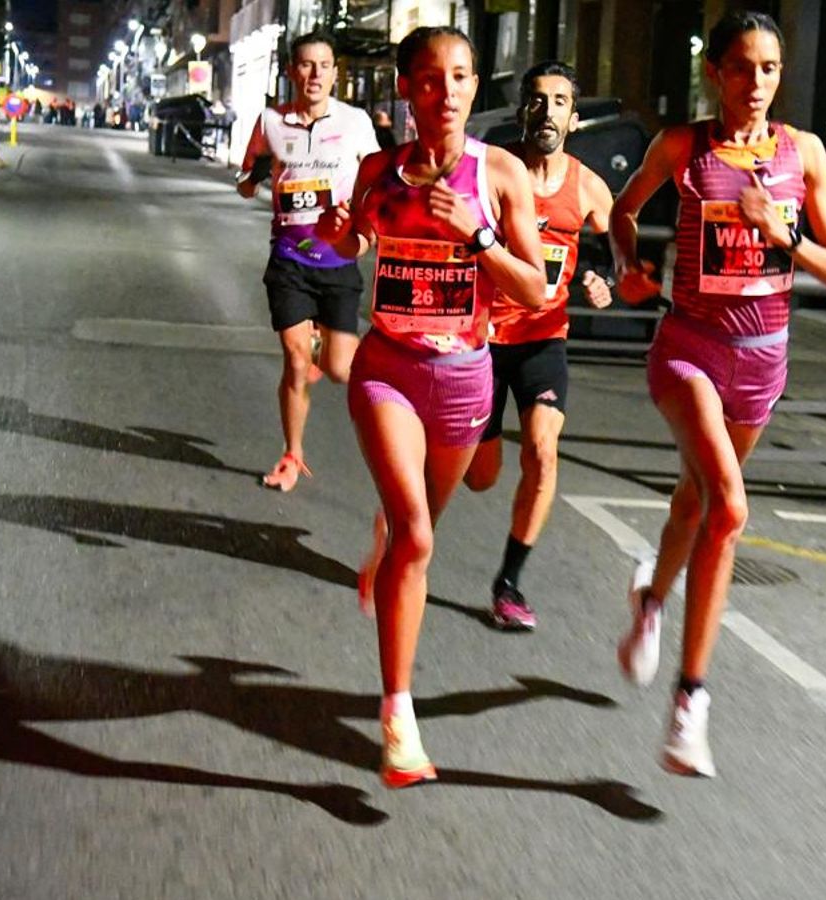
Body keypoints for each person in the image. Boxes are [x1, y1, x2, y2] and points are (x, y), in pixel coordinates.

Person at [607, 11, 826, 777]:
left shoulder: (803, 154)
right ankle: (691, 702)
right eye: (742, 67)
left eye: (770, 68)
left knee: (695, 502)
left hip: (762, 361)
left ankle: (650, 602)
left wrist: (783, 234)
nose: (756, 82)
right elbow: (622, 211)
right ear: (714, 72)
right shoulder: (683, 147)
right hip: (689, 351)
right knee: (730, 507)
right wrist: (629, 267)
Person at [314, 26, 545, 788]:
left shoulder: (500, 174)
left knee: (416, 530)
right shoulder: (378, 171)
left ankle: (386, 539)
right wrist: (337, 234)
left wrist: (476, 236)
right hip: (388, 367)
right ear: (407, 89)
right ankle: (398, 716)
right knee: (417, 535)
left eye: (461, 77)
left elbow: (534, 289)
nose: (446, 92)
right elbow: (350, 242)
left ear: (476, 87)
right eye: (430, 79)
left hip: (464, 377)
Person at [463, 60, 614, 630]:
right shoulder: (492, 172)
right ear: (522, 111)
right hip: (481, 339)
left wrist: (602, 280)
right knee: (479, 476)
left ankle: (509, 585)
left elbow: (611, 254)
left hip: (542, 338)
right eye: (537, 100)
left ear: (573, 119)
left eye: (559, 102)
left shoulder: (588, 187)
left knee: (544, 453)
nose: (547, 111)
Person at [237, 31, 382, 491]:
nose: (315, 74)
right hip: (289, 258)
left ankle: (324, 347)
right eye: (305, 64)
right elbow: (245, 184)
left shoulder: (355, 122)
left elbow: (377, 185)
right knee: (296, 361)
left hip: (337, 258)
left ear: (336, 73)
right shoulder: (270, 122)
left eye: (324, 65)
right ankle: (292, 454)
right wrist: (255, 175)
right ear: (291, 72)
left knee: (339, 370)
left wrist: (360, 222)